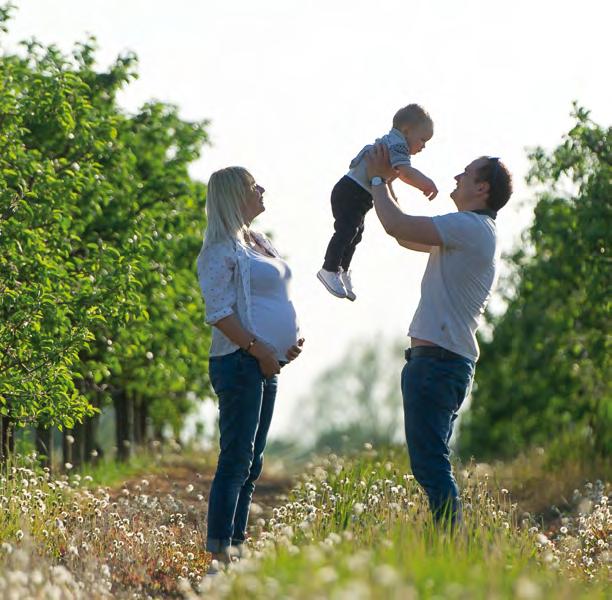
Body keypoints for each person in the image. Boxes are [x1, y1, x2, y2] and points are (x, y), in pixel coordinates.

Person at [365, 144, 512, 527]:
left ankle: (453, 542)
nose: (457, 178)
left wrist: (378, 178)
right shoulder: (469, 232)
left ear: (482, 189)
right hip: (441, 362)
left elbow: (397, 225)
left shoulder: (470, 227)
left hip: (439, 363)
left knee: (430, 463)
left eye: (466, 174)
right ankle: (450, 541)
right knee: (431, 462)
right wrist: (389, 183)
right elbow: (402, 233)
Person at [197, 166, 305, 568]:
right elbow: (219, 312)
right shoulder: (219, 250)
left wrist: (284, 343)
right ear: (233, 195)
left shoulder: (257, 241)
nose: (262, 188)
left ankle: (236, 547)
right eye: (252, 185)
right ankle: (220, 549)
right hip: (239, 361)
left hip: (264, 360)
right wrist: (260, 348)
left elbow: (271, 296)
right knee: (237, 458)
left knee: (253, 461)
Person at [317, 104, 438, 301]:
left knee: (355, 235)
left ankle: (342, 269)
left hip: (359, 195)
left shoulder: (393, 145)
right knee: (347, 231)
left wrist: (392, 199)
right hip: (351, 191)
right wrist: (426, 183)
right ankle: (329, 268)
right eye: (422, 139)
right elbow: (405, 173)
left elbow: (384, 180)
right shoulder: (397, 145)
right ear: (406, 131)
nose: (423, 146)